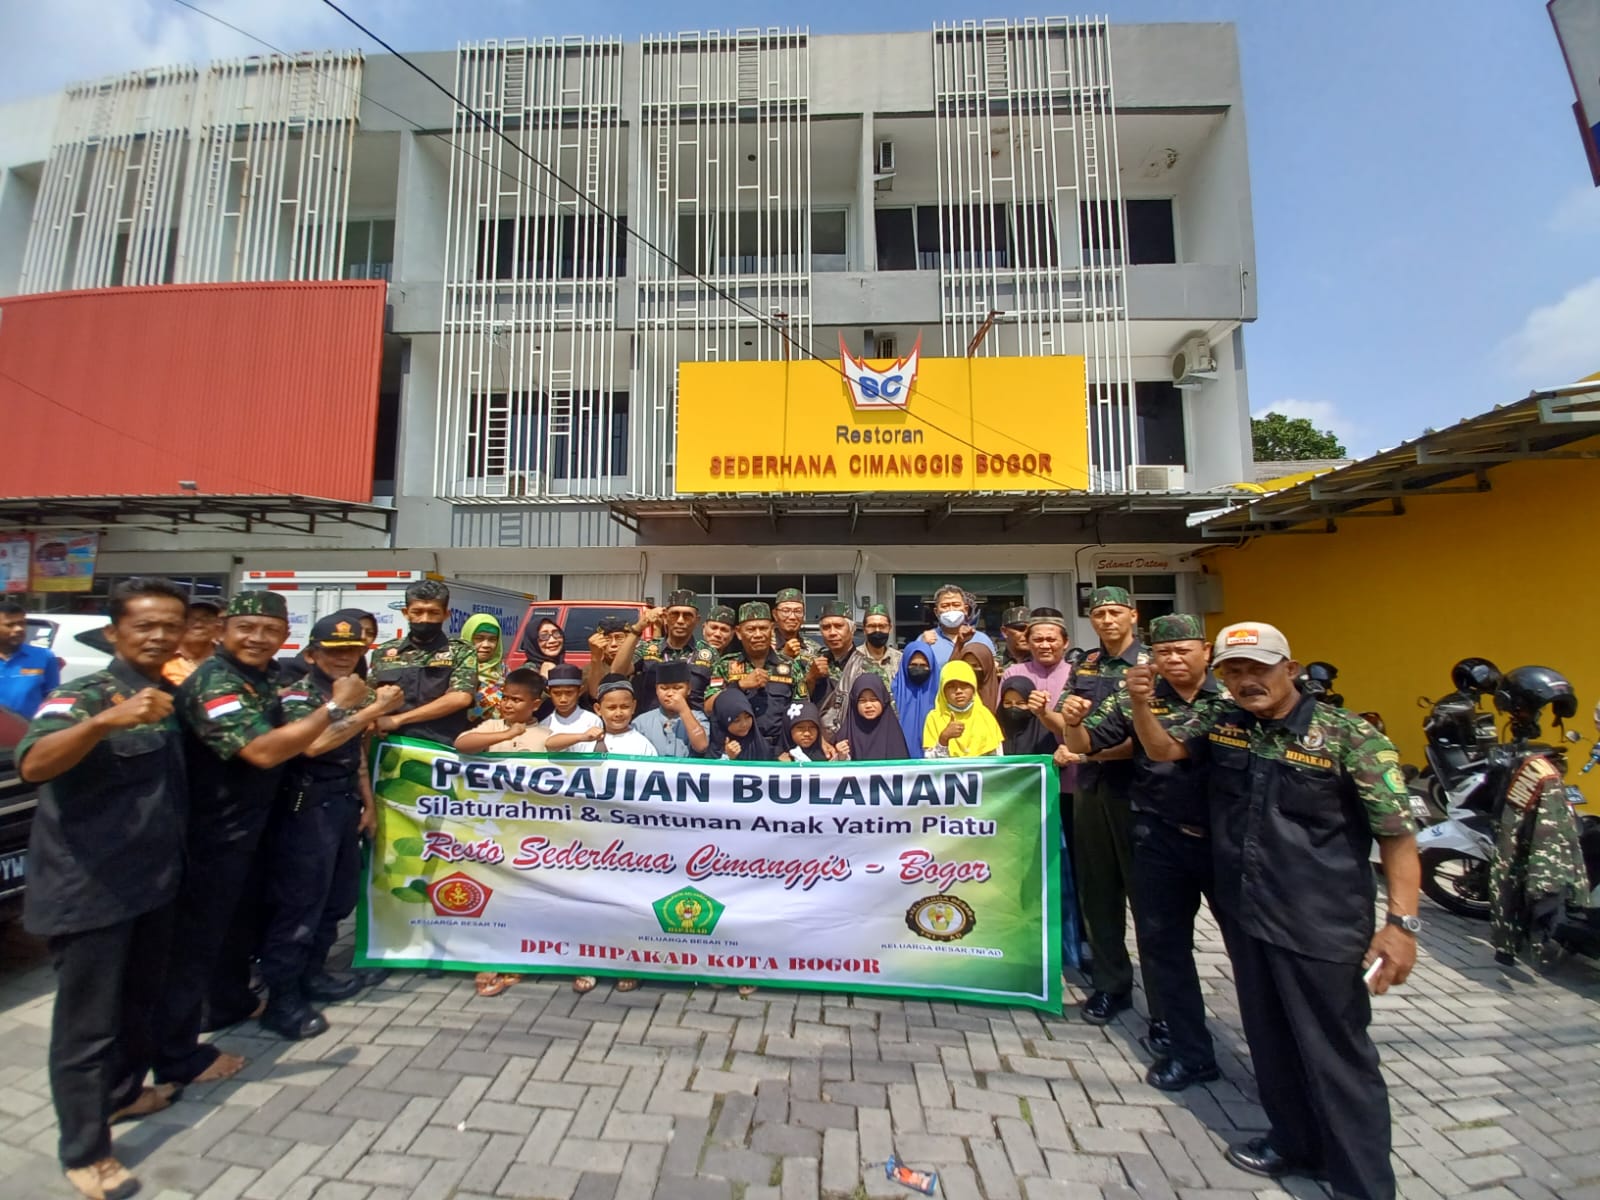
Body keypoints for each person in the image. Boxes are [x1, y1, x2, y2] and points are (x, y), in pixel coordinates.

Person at [1128, 621, 1420, 1199]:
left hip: (1321, 921)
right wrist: (1140, 703)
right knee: (1269, 1039)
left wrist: (1401, 924)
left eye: (1257, 668)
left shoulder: (1348, 736)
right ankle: (1295, 1142)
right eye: (1234, 672)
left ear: (1290, 668)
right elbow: (1163, 748)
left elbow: (1397, 835)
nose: (1245, 681)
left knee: (1337, 1057)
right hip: (1247, 910)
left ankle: (1363, 1185)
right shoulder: (1225, 723)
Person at [17, 578, 188, 1200]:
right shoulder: (83, 694)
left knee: (137, 1002)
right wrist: (106, 720)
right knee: (87, 1028)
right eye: (146, 626)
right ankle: (86, 1151)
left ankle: (123, 1095)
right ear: (115, 633)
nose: (161, 636)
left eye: (171, 624)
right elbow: (34, 763)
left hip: (151, 883)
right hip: (89, 890)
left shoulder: (165, 692)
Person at [157, 592, 369, 1089]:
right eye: (247, 627)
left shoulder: (272, 677)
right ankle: (191, 1045)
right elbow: (264, 750)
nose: (258, 638)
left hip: (261, 821)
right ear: (223, 628)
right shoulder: (217, 680)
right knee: (204, 940)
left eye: (270, 630)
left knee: (248, 922)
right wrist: (345, 707)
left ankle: (237, 1002)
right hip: (214, 829)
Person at [1058, 614, 1230, 1089]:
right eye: (1165, 652)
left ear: (1206, 651)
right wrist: (1072, 730)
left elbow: (1154, 748)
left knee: (1222, 947)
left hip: (1208, 832)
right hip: (1128, 806)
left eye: (1183, 650)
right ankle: (1120, 991)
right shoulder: (1100, 670)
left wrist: (1090, 744)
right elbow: (1087, 734)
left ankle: (1166, 1016)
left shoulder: (1233, 701)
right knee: (1136, 918)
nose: (1172, 659)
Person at [258, 613, 405, 1040]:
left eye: (352, 651)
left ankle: (315, 973)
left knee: (338, 897)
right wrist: (373, 709)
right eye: (334, 651)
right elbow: (315, 744)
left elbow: (356, 750)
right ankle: (282, 997)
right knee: (300, 903)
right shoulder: (302, 693)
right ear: (313, 653)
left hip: (343, 800)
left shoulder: (353, 691)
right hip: (308, 803)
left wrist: (368, 802)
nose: (344, 658)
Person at [1038, 585, 1151, 1027]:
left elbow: (1146, 739)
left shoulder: (1149, 665)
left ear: (1133, 615)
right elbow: (1070, 721)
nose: (1106, 620)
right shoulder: (1087, 664)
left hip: (1137, 792)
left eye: (1115, 612)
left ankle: (1163, 1010)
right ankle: (1111, 985)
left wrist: (1084, 751)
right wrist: (1067, 737)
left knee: (1148, 904)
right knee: (1098, 894)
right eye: (1099, 613)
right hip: (1090, 789)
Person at [453, 668, 549, 1000]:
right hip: (492, 830)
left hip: (531, 831)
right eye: (505, 698)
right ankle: (488, 959)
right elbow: (463, 743)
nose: (507, 704)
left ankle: (518, 955)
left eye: (516, 700)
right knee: (492, 893)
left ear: (535, 704)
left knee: (524, 895)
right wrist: (506, 735)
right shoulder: (491, 727)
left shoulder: (545, 735)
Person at [999, 675, 1082, 973]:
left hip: (1041, 823)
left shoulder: (1048, 737)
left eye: (1020, 703)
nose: (1013, 709)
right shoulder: (994, 734)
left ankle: (1055, 949)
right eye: (1006, 704)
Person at [369, 580, 476, 747]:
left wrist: (398, 719)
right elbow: (370, 695)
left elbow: (460, 697)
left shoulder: (460, 651)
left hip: (440, 749)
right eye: (417, 612)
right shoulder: (384, 652)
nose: (425, 619)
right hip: (390, 747)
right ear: (406, 613)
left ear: (446, 615)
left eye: (433, 613)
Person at [705, 602, 799, 750]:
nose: (758, 635)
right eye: (750, 629)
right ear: (738, 633)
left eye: (763, 628)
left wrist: (789, 749)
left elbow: (801, 710)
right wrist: (739, 686)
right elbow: (709, 707)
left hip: (780, 750)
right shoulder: (725, 665)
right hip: (737, 749)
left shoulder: (790, 665)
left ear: (772, 630)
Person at [610, 589, 710, 714]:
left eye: (687, 616)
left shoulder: (708, 653)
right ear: (665, 617)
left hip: (692, 724)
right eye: (674, 614)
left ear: (697, 620)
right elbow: (617, 672)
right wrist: (637, 629)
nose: (680, 620)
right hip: (651, 723)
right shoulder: (649, 648)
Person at [554, 675, 660, 757]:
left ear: (633, 707)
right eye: (612, 708)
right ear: (598, 709)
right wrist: (582, 737)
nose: (618, 713)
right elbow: (550, 746)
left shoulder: (642, 745)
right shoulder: (587, 738)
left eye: (624, 707)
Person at [811, 600, 871, 743]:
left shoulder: (867, 665)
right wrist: (811, 678)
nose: (832, 633)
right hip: (819, 742)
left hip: (856, 740)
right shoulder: (812, 662)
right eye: (826, 627)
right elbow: (800, 705)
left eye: (838, 626)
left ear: (852, 629)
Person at [631, 659, 711, 758]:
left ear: (688, 689)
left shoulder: (698, 718)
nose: (670, 694)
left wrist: (683, 710)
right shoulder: (641, 723)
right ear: (656, 689)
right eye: (664, 688)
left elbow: (701, 746)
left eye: (677, 688)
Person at [923, 660, 1004, 758]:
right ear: (942, 691)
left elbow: (997, 760)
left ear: (974, 688)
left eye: (964, 685)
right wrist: (944, 738)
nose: (958, 691)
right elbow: (930, 761)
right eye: (951, 687)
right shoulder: (934, 718)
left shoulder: (985, 716)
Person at [0, 597, 60, 718]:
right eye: (10, 625)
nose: (19, 629)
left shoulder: (44, 656)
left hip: (29, 733)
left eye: (22, 623)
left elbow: (52, 699)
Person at [915, 583, 998, 667]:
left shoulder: (982, 639)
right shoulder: (925, 639)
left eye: (956, 605)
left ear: (965, 609)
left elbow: (991, 672)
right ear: (936, 612)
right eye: (945, 606)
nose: (951, 610)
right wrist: (922, 646)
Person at [834, 674, 909, 762]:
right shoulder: (845, 735)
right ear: (854, 703)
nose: (868, 705)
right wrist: (841, 757)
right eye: (862, 701)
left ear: (883, 700)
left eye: (874, 700)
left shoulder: (893, 733)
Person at [160, 596, 223, 687]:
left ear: (216, 624)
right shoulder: (161, 658)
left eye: (206, 618)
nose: (199, 624)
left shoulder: (230, 657)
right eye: (190, 619)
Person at [891, 645, 939, 760]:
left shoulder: (941, 692)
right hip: (899, 761)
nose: (918, 669)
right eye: (913, 665)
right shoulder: (893, 691)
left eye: (923, 665)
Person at [710, 689, 778, 761]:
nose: (744, 724)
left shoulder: (760, 745)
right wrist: (728, 757)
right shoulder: (714, 747)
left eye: (748, 716)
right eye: (736, 720)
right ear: (723, 721)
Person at [461, 613, 506, 722]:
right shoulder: (456, 670)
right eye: (479, 638)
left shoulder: (504, 672)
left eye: (492, 639)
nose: (486, 645)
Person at [542, 663, 602, 743]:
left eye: (569, 693)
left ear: (580, 691)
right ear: (549, 692)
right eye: (557, 693)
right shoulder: (545, 724)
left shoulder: (593, 721)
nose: (563, 699)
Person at [772, 587, 824, 667]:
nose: (792, 617)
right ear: (775, 615)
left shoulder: (814, 648)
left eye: (798, 611)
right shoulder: (763, 644)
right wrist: (784, 656)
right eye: (786, 611)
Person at [858, 604, 901, 689]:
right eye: (872, 626)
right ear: (864, 629)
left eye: (882, 626)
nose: (877, 630)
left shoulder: (900, 660)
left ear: (890, 628)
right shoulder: (853, 658)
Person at [958, 642, 1001, 714]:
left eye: (975, 666)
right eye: (966, 665)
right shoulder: (957, 692)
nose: (971, 669)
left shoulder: (1001, 690)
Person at [994, 605, 1033, 672]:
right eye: (1021, 629)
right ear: (1004, 631)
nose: (1027, 634)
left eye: (1030, 630)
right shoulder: (994, 664)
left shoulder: (1042, 661)